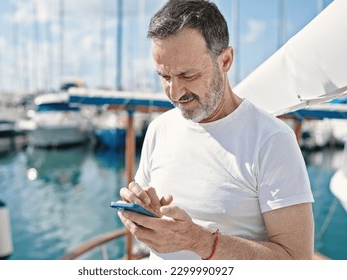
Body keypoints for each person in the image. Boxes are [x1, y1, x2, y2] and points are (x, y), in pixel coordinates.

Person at [118, 0, 314, 260]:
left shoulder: (272, 140)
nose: (175, 93)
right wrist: (141, 216)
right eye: (165, 77)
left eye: (188, 75)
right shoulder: (159, 129)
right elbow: (145, 219)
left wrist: (200, 241)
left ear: (225, 60)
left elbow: (296, 261)